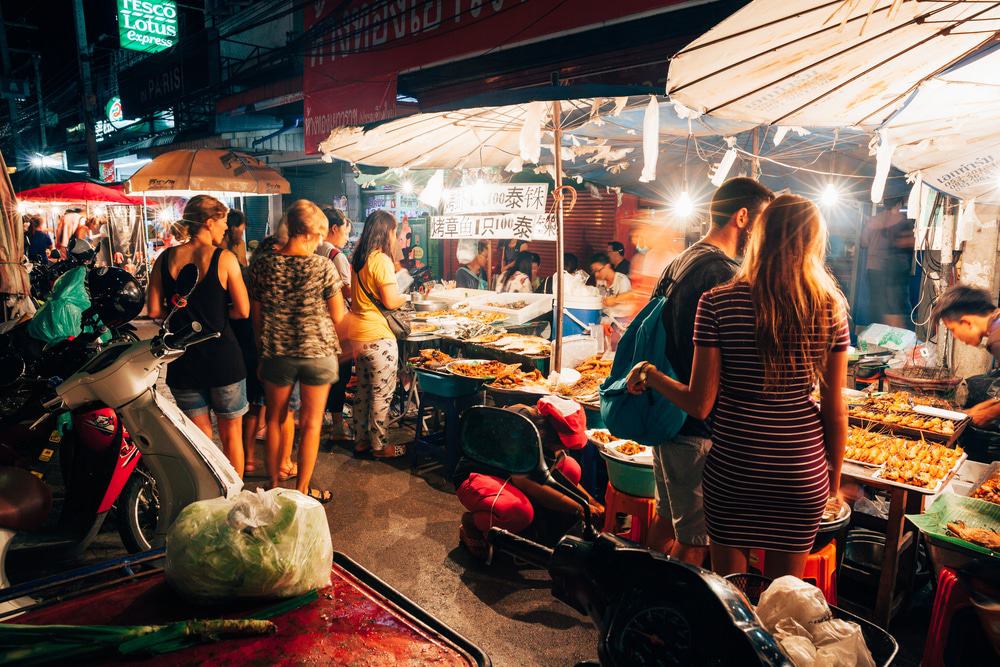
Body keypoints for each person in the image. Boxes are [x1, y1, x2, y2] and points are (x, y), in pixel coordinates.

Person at [627, 194, 849, 579]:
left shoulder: (718, 302)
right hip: (800, 469)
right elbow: (835, 408)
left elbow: (699, 404)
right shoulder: (829, 307)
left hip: (736, 467)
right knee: (785, 598)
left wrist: (650, 373)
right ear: (814, 241)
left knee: (733, 596)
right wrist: (834, 480)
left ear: (759, 234)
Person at [644, 177, 775, 566]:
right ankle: (669, 620)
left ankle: (634, 596)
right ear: (743, 217)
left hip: (669, 414)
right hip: (697, 428)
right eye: (764, 221)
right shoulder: (722, 274)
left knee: (669, 521)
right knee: (695, 540)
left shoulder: (680, 261)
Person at [250, 200, 348, 502]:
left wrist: (261, 348)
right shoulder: (322, 266)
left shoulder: (264, 264)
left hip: (277, 350)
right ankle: (303, 491)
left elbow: (258, 315)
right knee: (311, 424)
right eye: (319, 235)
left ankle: (276, 486)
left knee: (277, 420)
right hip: (318, 352)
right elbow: (338, 317)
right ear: (310, 233)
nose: (320, 241)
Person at [147, 195, 251, 477]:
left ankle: (209, 500)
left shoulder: (165, 257)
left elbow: (155, 309)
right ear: (209, 223)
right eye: (223, 224)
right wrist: (215, 315)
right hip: (223, 359)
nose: (225, 230)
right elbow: (243, 311)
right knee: (232, 438)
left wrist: (182, 315)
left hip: (184, 361)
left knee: (201, 441)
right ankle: (233, 499)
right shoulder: (224, 258)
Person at [454, 398, 604, 559]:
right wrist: (581, 508)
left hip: (510, 475)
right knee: (518, 512)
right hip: (476, 476)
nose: (565, 447)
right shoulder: (519, 429)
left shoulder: (544, 430)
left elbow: (555, 473)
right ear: (547, 431)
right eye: (562, 443)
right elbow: (527, 483)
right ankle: (472, 523)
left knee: (571, 468)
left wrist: (591, 502)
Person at [349, 209, 407, 459]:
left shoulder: (357, 259)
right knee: (381, 393)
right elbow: (391, 300)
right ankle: (379, 446)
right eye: (394, 232)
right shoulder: (381, 260)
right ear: (386, 232)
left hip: (359, 336)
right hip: (379, 337)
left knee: (362, 393)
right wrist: (406, 295)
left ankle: (360, 441)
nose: (395, 237)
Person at [931, 286, 1000, 426]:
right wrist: (988, 406)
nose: (956, 336)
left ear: (967, 323)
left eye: (953, 330)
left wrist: (987, 414)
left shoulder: (997, 340)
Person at [319, 206, 354, 443]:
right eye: (345, 232)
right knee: (340, 376)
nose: (347, 238)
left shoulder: (312, 249)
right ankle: (339, 426)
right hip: (335, 322)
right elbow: (347, 292)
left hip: (315, 325)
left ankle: (319, 419)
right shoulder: (336, 256)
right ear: (334, 228)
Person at [861, 198, 912, 328]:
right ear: (899, 203)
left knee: (876, 305)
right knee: (894, 306)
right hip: (893, 270)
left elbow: (863, 242)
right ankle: (896, 340)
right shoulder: (902, 220)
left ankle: (876, 338)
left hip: (872, 267)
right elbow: (907, 243)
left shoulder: (873, 220)